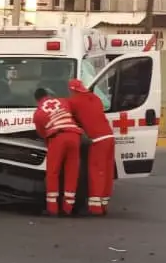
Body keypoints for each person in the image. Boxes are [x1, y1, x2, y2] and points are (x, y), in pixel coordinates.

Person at [67, 79, 115, 216]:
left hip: (98, 139)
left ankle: (95, 207)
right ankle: (104, 204)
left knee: (96, 171)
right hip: (109, 137)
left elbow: (65, 109)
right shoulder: (95, 98)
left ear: (73, 90)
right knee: (107, 172)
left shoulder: (74, 102)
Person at [32, 87, 83, 216]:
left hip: (57, 138)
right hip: (74, 135)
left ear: (37, 99)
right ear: (49, 95)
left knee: (53, 172)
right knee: (72, 171)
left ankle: (52, 207)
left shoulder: (38, 113)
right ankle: (68, 207)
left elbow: (42, 133)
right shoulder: (62, 101)